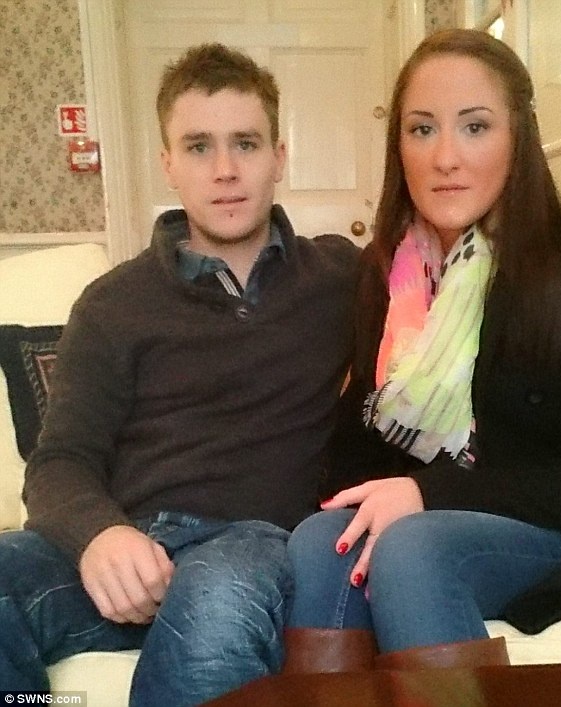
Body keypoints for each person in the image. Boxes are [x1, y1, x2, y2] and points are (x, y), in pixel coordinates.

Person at [0, 44, 359, 704]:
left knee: (214, 604)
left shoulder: (340, 278)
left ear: (279, 157)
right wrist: (99, 534)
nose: (225, 170)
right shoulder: (112, 304)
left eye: (245, 143)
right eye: (198, 147)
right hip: (131, 543)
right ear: (168, 163)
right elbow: (59, 461)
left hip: (251, 545)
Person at [284, 28, 561, 673]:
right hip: (430, 520)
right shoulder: (385, 274)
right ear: (399, 148)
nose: (445, 157)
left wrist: (427, 493)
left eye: (474, 127)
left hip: (554, 532)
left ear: (519, 138)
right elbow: (359, 444)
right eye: (422, 129)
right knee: (318, 543)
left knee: (413, 546)